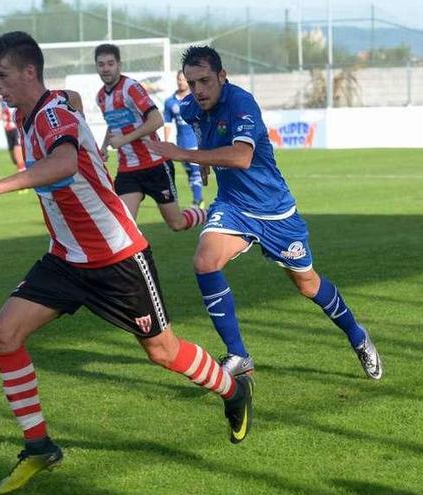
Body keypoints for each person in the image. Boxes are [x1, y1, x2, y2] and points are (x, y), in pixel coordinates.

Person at [0, 32, 254, 494]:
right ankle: (40, 447)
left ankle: (232, 389)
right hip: (66, 258)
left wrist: (1, 185)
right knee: (2, 335)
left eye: (1, 75)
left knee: (162, 351)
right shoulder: (40, 108)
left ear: (28, 72)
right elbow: (72, 99)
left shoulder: (53, 113)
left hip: (118, 257)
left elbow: (63, 163)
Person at [149, 46, 382, 380]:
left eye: (204, 81)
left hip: (275, 212)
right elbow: (204, 134)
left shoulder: (242, 103)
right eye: (192, 82)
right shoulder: (191, 107)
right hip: (233, 207)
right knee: (204, 261)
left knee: (308, 285)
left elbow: (243, 157)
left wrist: (183, 154)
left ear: (222, 76)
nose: (198, 90)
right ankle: (238, 354)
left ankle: (357, 336)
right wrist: (203, 164)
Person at [94, 44, 205, 232]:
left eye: (110, 63)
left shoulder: (131, 88)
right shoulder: (101, 97)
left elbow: (157, 120)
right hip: (128, 169)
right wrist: (103, 147)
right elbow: (113, 124)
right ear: (96, 66)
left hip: (155, 165)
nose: (106, 68)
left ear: (119, 65)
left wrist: (124, 139)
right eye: (101, 64)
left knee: (177, 224)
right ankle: (136, 260)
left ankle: (209, 213)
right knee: (123, 227)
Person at [163, 70, 207, 207]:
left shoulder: (197, 98)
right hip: (181, 143)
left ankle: (198, 201)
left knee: (195, 172)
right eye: (179, 79)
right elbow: (167, 123)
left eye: (183, 79)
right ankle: (197, 199)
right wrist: (166, 141)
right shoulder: (170, 102)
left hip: (195, 142)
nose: (181, 82)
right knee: (190, 174)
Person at [0, 90, 25, 172]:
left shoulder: (13, 85)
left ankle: (22, 171)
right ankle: (21, 167)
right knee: (13, 157)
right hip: (7, 126)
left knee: (17, 147)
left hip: (16, 123)